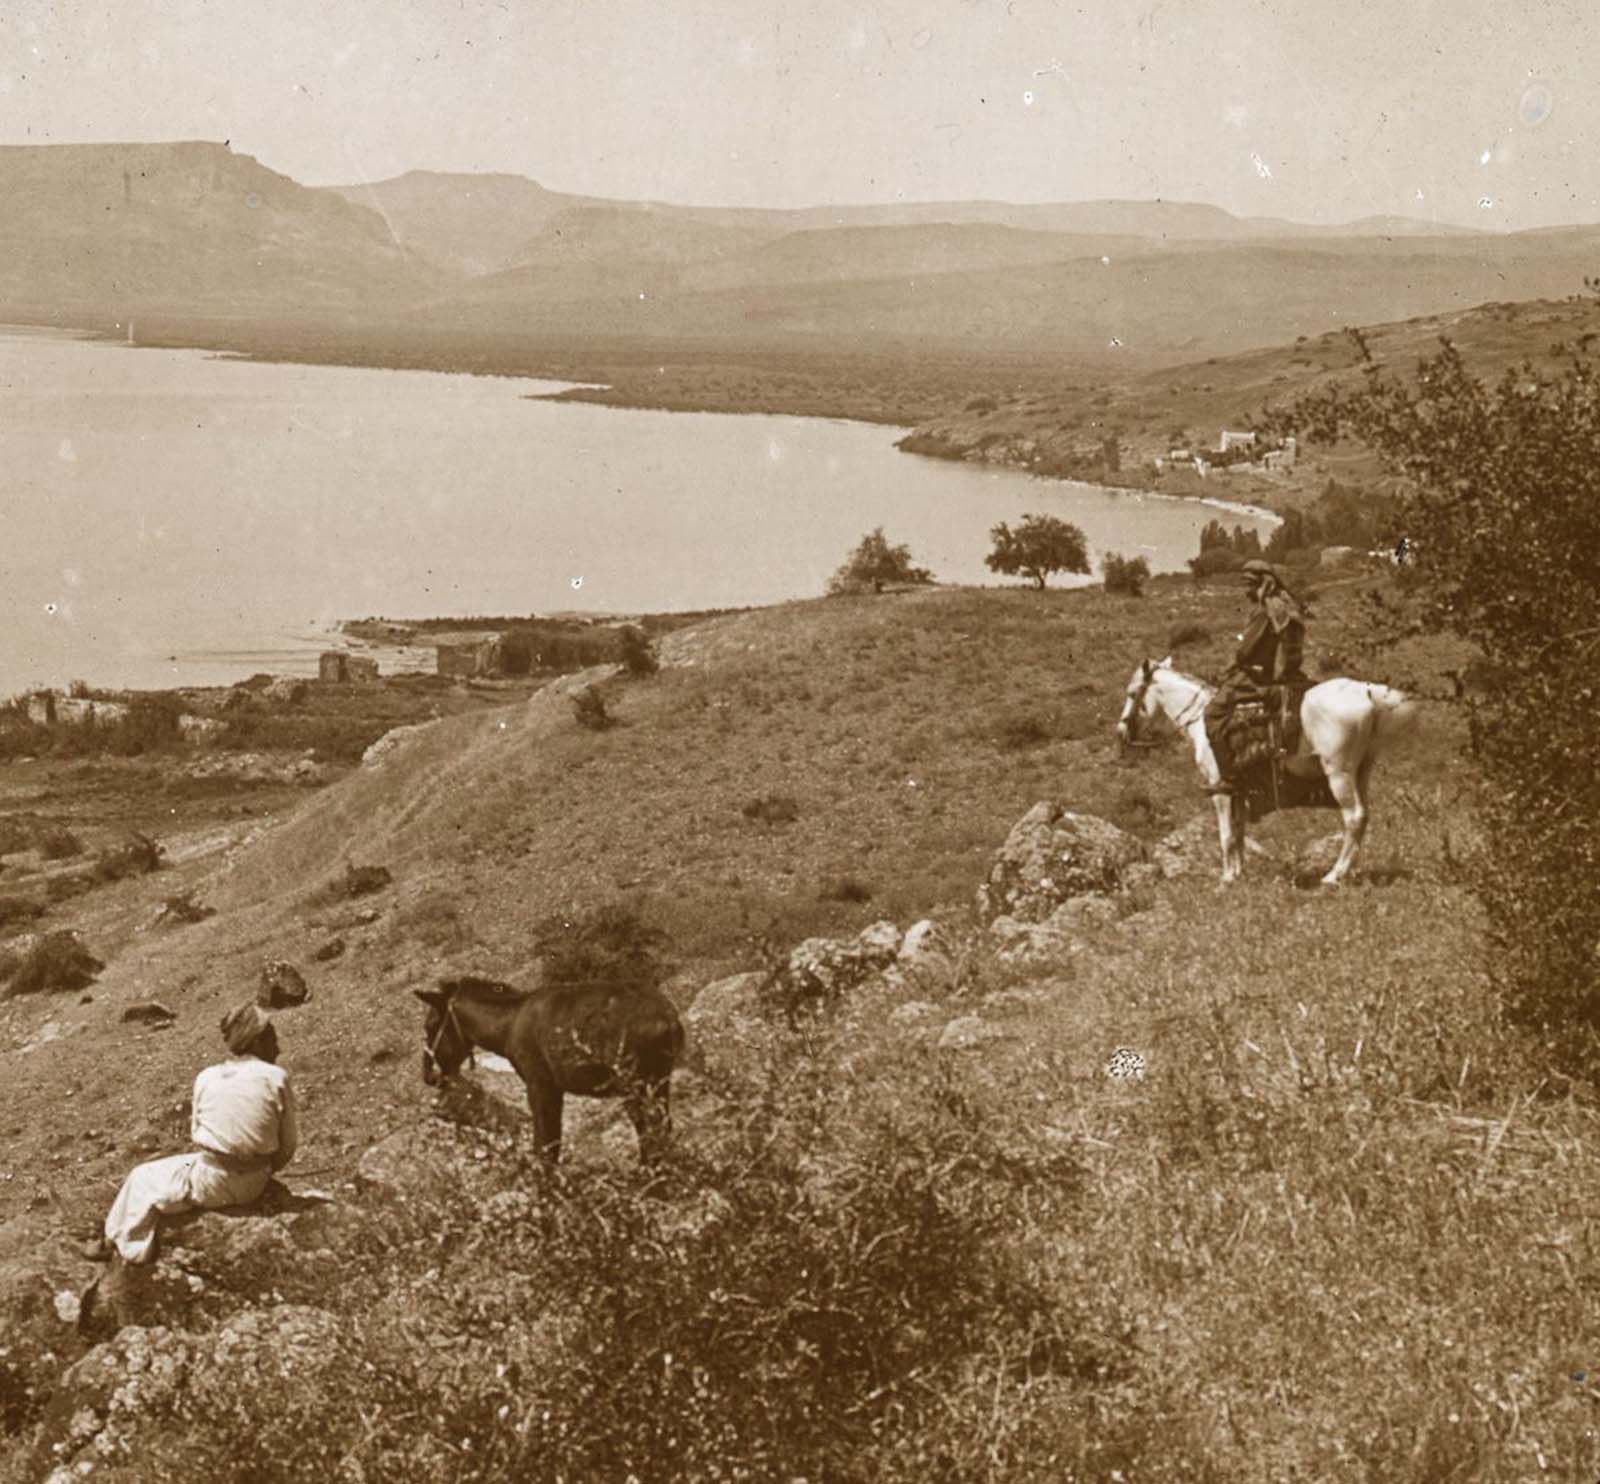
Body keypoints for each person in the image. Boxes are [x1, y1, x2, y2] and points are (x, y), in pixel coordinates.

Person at [83, 1002, 298, 1264]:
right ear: (257, 1041)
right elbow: (288, 1146)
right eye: (272, 1038)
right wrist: (260, 1167)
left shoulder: (207, 1077)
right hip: (256, 1180)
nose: (278, 1046)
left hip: (213, 1181)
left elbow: (196, 1132)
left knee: (140, 1176)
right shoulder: (276, 1077)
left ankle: (120, 1244)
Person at [1203, 559, 1308, 793]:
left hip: (1261, 677)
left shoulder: (1263, 610)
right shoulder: (1283, 604)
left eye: (1250, 584)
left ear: (1262, 584)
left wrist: (1232, 665)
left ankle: (1230, 778)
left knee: (1212, 714)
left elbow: (1245, 651)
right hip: (1285, 671)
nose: (1246, 590)